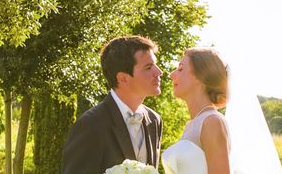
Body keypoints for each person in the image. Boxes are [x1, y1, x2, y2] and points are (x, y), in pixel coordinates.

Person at [61, 36, 164, 174]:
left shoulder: (154, 120)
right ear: (123, 78)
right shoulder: (90, 124)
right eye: (148, 67)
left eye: (155, 65)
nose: (158, 72)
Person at [162, 48, 231, 174]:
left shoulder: (212, 121)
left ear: (200, 76)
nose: (172, 75)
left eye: (180, 69)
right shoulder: (193, 124)